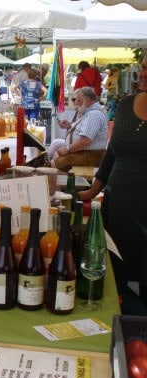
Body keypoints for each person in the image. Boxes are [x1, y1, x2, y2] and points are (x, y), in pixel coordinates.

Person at [78, 53, 147, 316]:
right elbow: (112, 152)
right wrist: (93, 190)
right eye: (143, 67)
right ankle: (123, 329)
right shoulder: (127, 104)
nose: (143, 73)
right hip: (118, 208)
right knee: (116, 275)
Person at [51, 86, 107, 171]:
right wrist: (70, 125)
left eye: (78, 100)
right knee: (55, 156)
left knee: (57, 162)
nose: (75, 102)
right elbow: (84, 130)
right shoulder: (89, 112)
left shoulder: (93, 115)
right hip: (84, 152)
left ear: (87, 100)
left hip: (91, 155)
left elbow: (85, 141)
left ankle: (63, 183)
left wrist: (67, 149)